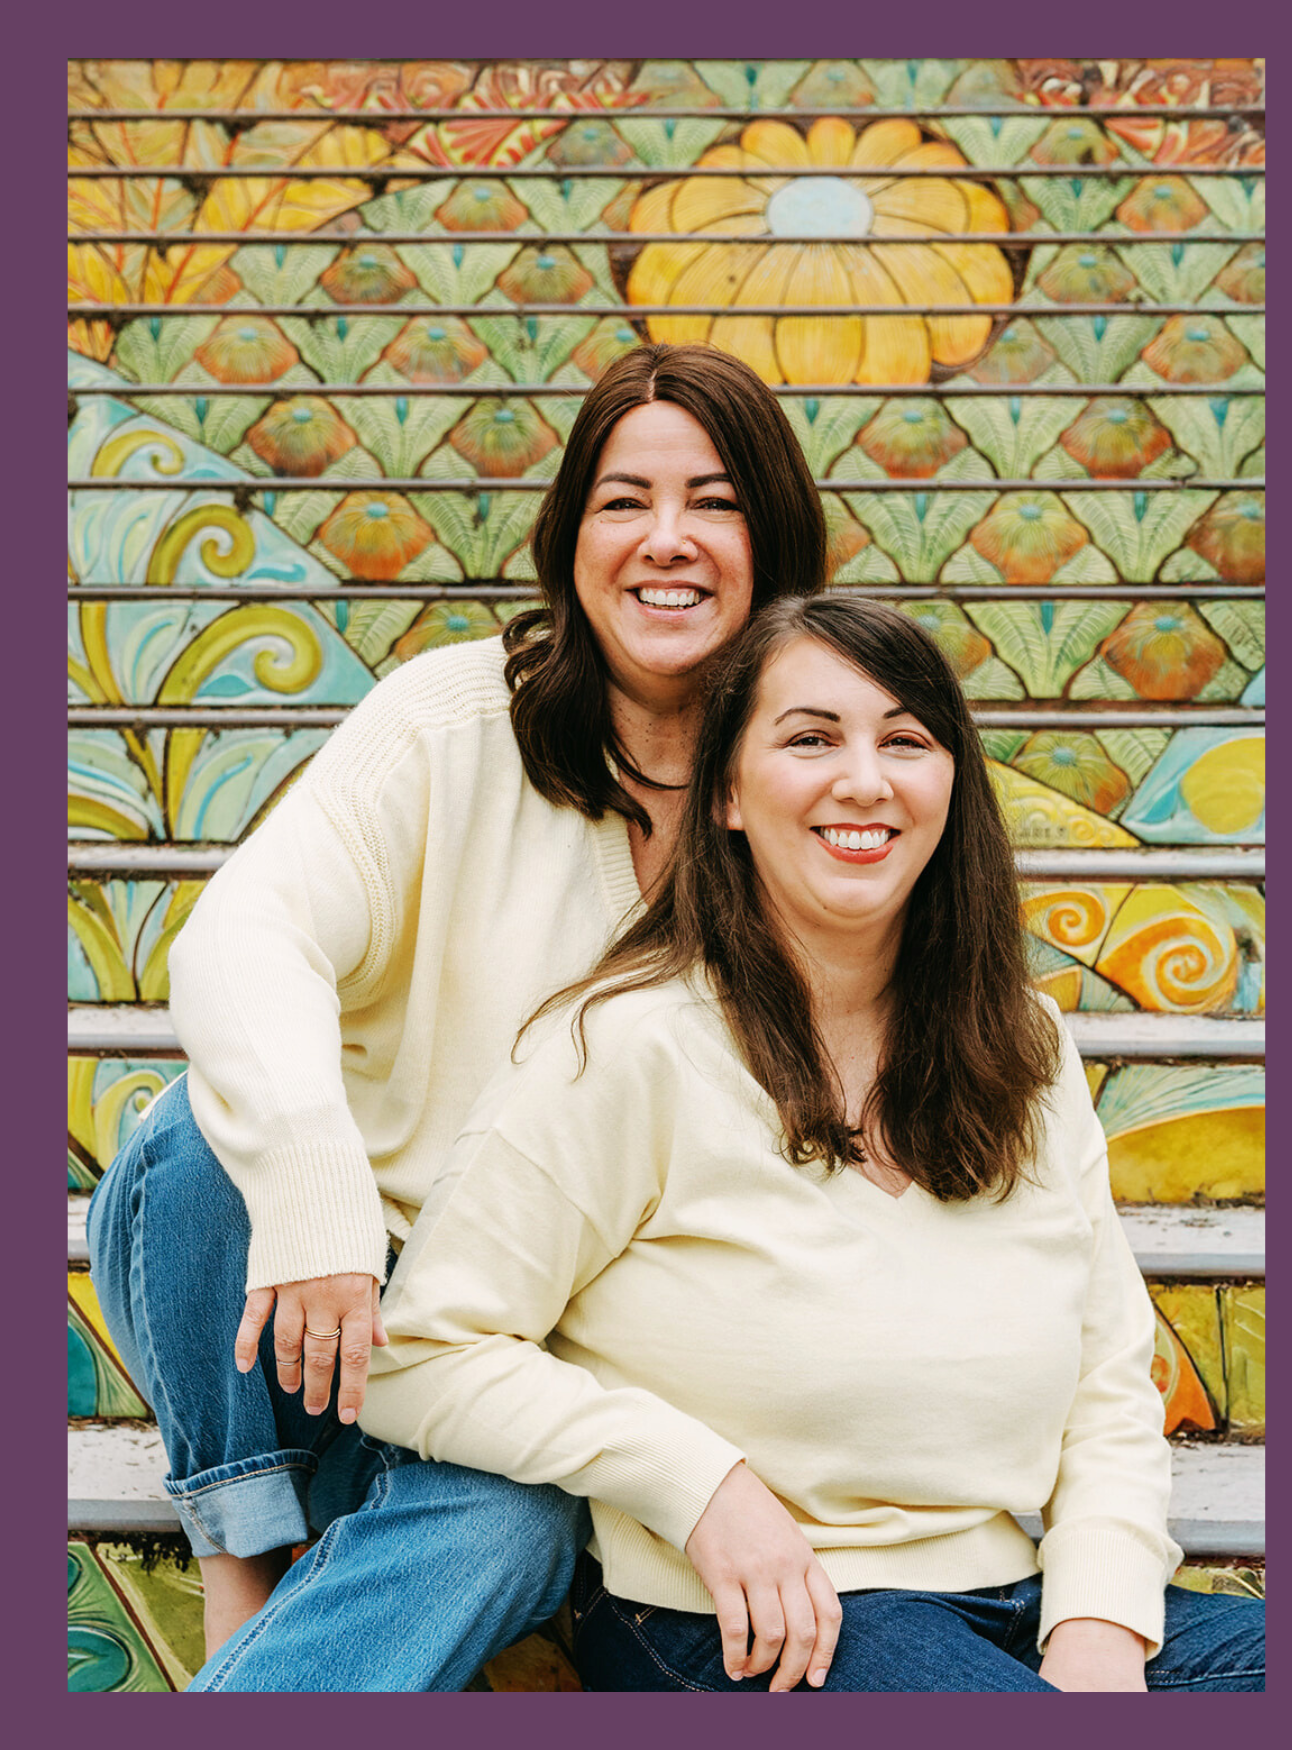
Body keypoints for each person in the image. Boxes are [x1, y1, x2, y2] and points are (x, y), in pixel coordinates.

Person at [85, 342, 828, 1690]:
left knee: (516, 1524)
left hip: (492, 1361)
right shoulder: (451, 716)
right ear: (569, 538)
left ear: (773, 537)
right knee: (202, 1142)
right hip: (288, 1298)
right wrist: (319, 1188)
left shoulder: (811, 788)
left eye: (713, 500)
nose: (667, 540)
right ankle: (246, 1555)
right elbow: (247, 930)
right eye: (623, 500)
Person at [359, 597, 1265, 1693]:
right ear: (729, 793)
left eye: (904, 739)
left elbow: (1109, 1379)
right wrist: (696, 1481)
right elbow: (420, 1357)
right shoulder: (621, 1047)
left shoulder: (1020, 1040)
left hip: (1014, 1595)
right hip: (752, 1619)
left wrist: (1099, 1625)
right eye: (809, 737)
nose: (864, 779)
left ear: (949, 787)